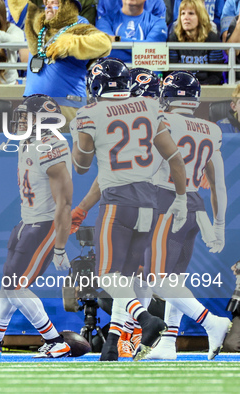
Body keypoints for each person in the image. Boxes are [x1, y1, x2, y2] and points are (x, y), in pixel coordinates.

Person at [71, 57, 188, 361]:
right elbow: (175, 158)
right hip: (149, 203)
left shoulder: (89, 113)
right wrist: (181, 198)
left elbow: (81, 167)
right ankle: (112, 345)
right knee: (127, 277)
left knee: (107, 275)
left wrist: (82, 140)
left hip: (117, 204)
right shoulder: (150, 107)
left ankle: (147, 320)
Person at [0, 95, 73, 359]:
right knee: (8, 282)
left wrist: (60, 246)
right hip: (27, 221)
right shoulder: (30, 141)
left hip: (43, 224)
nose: (20, 120)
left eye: (26, 116)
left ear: (43, 120)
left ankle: (54, 340)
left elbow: (65, 202)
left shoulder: (51, 146)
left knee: (14, 284)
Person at [144, 71, 231, 360]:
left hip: (166, 201)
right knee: (173, 279)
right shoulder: (212, 129)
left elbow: (150, 168)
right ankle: (168, 343)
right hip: (194, 203)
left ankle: (211, 322)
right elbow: (218, 184)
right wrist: (219, 225)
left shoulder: (163, 122)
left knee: (156, 278)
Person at [14, 0, 111, 128]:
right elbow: (17, 5)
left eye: (54, 2)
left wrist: (71, 43)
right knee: (28, 147)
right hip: (31, 106)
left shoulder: (78, 25)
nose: (48, 5)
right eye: (46, 2)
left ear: (68, 6)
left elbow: (104, 43)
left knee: (64, 147)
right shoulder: (40, 25)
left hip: (65, 106)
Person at [167, 0, 224, 86]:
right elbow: (171, 73)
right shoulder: (174, 38)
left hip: (206, 88)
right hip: (181, 88)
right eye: (183, 13)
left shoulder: (212, 38)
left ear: (200, 17)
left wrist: (199, 87)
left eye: (191, 13)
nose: (186, 17)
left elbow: (216, 75)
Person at [96, 0, 167, 64]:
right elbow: (107, 52)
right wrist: (140, 52)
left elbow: (153, 52)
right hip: (113, 73)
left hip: (147, 75)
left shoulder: (158, 23)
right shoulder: (104, 21)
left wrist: (117, 40)